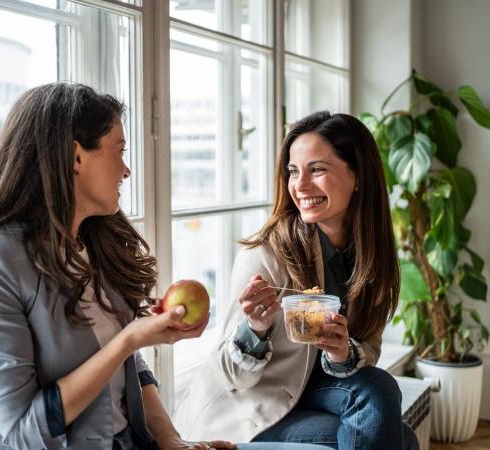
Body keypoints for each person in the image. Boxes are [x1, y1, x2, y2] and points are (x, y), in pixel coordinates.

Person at [0, 82, 331, 450]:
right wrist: (131, 338)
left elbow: (131, 369)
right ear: (75, 157)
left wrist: (173, 441)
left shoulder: (92, 244)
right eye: (119, 151)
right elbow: (23, 430)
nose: (126, 170)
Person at [174, 111, 419, 450]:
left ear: (358, 175)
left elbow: (370, 347)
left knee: (381, 395)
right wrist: (255, 330)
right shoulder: (266, 255)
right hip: (250, 409)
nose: (299, 185)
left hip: (313, 392)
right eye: (293, 171)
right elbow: (232, 376)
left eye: (317, 169)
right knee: (399, 434)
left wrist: (342, 353)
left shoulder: (370, 254)